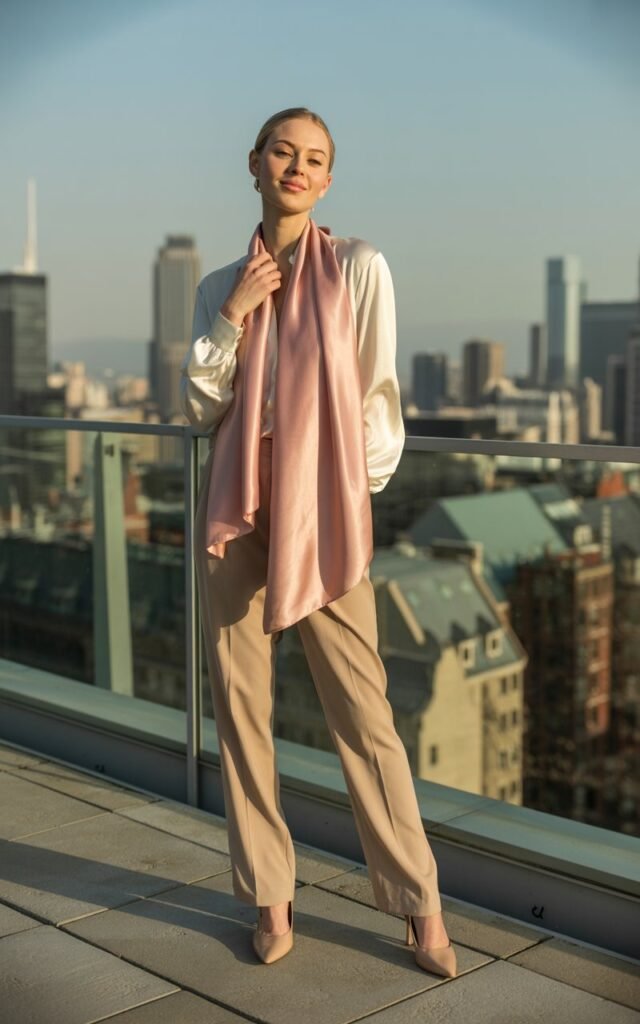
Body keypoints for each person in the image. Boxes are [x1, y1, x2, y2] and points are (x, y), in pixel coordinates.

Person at [180, 107, 456, 977]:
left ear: (328, 179)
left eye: (315, 159)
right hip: (236, 511)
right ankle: (268, 895)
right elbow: (199, 408)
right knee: (241, 712)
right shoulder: (221, 280)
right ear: (253, 163)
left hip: (325, 513)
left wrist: (341, 494)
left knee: (363, 713)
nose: (297, 168)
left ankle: (419, 901)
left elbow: (378, 401)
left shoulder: (359, 268)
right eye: (283, 153)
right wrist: (232, 313)